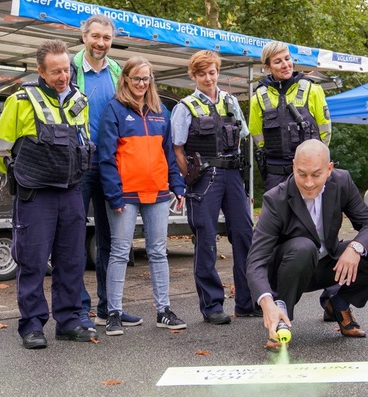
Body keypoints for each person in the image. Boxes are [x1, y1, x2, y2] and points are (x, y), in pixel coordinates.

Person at [0, 39, 97, 349]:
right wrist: (21, 175)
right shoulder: (21, 101)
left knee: (72, 260)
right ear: (40, 71)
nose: (63, 77)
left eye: (66, 70)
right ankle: (32, 325)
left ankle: (69, 321)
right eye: (55, 72)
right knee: (33, 261)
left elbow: (82, 142)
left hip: (71, 192)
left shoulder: (80, 100)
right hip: (35, 194)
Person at [246, 140, 368, 349]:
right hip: (289, 269)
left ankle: (338, 304)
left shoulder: (342, 182)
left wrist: (355, 248)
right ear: (293, 167)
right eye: (302, 174)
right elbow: (256, 260)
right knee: (304, 247)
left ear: (329, 169)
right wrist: (266, 302)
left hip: (328, 264)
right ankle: (280, 321)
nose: (308, 183)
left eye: (316, 175)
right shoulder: (275, 199)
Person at [98, 56, 187, 335]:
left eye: (146, 78)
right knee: (120, 252)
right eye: (136, 78)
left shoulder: (161, 111)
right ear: (125, 79)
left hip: (158, 191)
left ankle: (164, 311)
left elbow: (168, 153)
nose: (141, 83)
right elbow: (106, 156)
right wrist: (113, 194)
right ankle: (113, 313)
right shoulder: (114, 109)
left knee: (158, 252)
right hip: (125, 194)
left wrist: (177, 185)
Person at [170, 50, 259, 325]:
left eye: (212, 72)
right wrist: (189, 176)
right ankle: (212, 306)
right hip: (204, 178)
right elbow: (177, 148)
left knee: (244, 235)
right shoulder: (185, 107)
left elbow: (243, 136)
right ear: (193, 76)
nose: (208, 78)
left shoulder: (231, 101)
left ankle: (247, 302)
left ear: (218, 72)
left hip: (232, 175)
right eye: (202, 74)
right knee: (206, 240)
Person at [71, 14, 143, 330]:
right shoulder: (69, 69)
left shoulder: (117, 71)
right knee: (74, 238)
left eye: (107, 38)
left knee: (111, 240)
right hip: (79, 163)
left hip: (112, 164)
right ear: (84, 36)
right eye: (96, 36)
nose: (101, 43)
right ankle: (78, 310)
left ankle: (108, 307)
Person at [249, 41, 332, 192]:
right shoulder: (258, 98)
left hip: (308, 170)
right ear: (268, 67)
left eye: (287, 58)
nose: (285, 65)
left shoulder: (313, 89)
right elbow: (257, 134)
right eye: (278, 61)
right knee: (274, 208)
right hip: (275, 172)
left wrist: (318, 159)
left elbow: (325, 130)